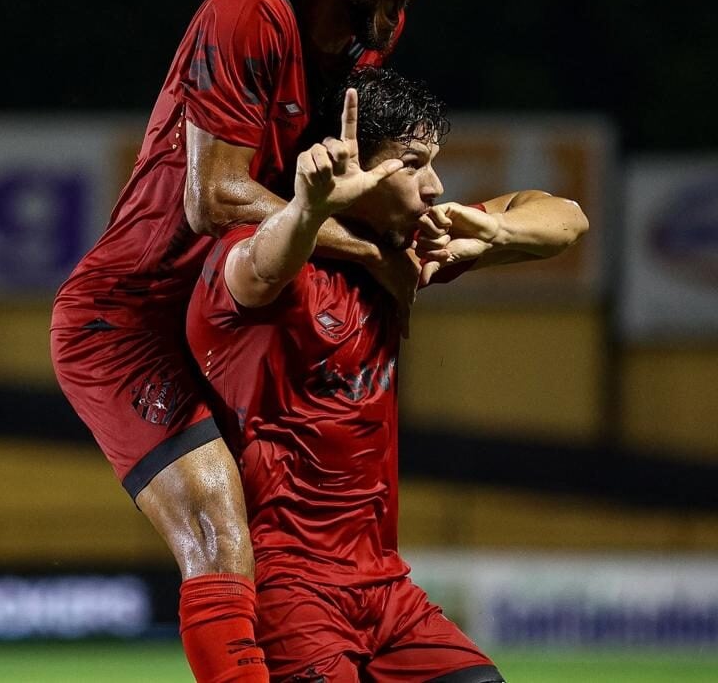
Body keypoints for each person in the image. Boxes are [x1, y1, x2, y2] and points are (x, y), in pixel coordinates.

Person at [49, 0, 435, 682]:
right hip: (129, 321)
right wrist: (367, 246)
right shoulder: (248, 13)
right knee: (220, 535)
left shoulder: (371, 37)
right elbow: (213, 198)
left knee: (288, 551)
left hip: (228, 316)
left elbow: (348, 182)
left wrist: (430, 228)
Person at [186, 67, 589, 682]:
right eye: (412, 163)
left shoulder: (401, 252)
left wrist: (493, 233)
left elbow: (568, 218)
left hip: (385, 588)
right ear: (357, 171)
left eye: (434, 161)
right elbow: (260, 265)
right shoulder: (260, 258)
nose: (435, 184)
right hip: (290, 589)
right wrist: (308, 208)